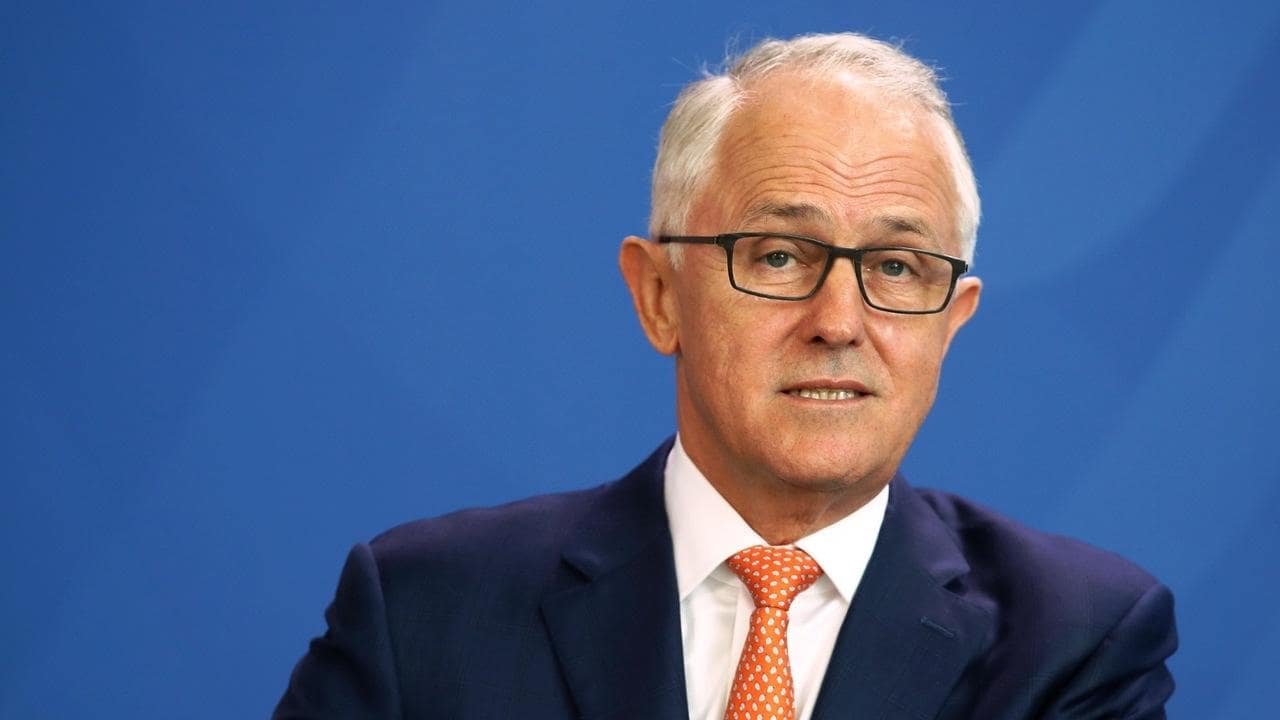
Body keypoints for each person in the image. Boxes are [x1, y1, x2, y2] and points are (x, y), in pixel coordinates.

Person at [274, 32, 1177, 719]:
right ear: (660, 295)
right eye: (780, 255)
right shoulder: (424, 612)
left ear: (951, 321)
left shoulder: (1076, 639)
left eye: (897, 268)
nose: (838, 321)